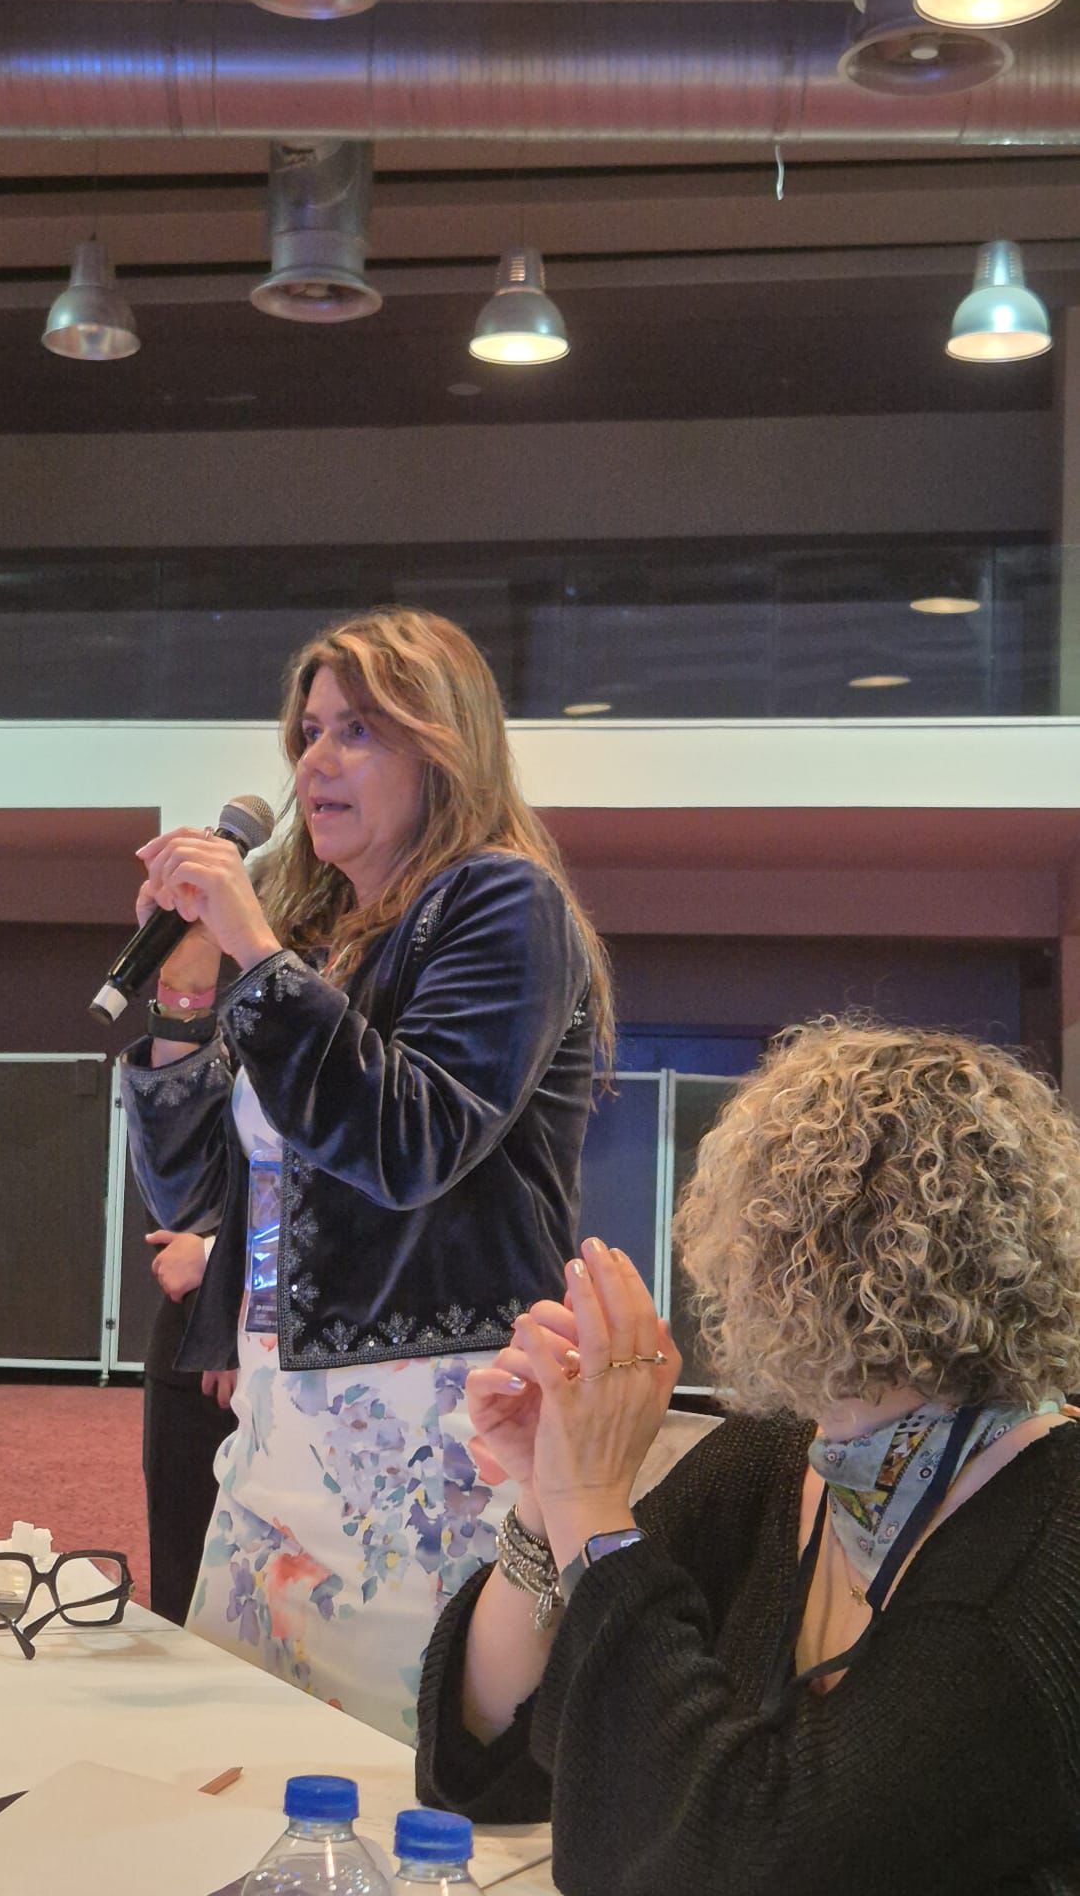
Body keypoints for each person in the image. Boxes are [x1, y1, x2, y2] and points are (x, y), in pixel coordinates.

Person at [415, 1019, 1080, 1895]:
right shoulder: (776, 1460)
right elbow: (489, 1766)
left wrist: (592, 1508)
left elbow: (741, 1862)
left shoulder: (1046, 1560)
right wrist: (548, 1500)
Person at [119, 606, 612, 1742]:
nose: (315, 762)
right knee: (240, 1743)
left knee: (399, 1764)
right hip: (275, 1425)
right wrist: (188, 990)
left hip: (432, 1426)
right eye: (309, 732)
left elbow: (410, 1142)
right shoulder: (314, 938)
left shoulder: (502, 903)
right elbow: (192, 1193)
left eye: (357, 732)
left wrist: (256, 955)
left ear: (444, 748)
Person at [139, 1219, 236, 1626]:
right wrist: (215, 1321)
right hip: (200, 1373)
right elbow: (177, 1229)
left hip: (347, 1373)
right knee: (187, 1588)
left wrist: (214, 1257)